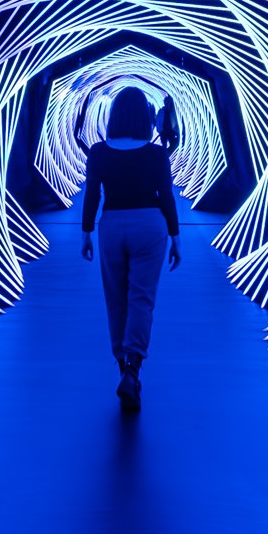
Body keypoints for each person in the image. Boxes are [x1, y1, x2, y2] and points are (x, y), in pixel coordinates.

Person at [79, 87, 181, 410]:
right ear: (145, 117)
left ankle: (122, 367)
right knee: (142, 299)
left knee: (115, 299)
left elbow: (92, 195)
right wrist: (176, 237)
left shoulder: (98, 153)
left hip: (112, 227)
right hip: (151, 226)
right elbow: (166, 196)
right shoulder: (156, 154)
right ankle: (134, 370)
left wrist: (85, 233)